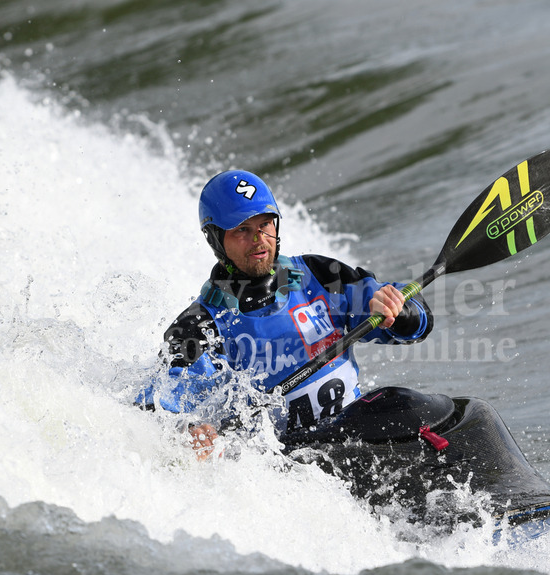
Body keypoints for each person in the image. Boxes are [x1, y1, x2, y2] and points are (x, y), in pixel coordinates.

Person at [138, 170, 433, 459]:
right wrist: (186, 428)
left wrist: (400, 312)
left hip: (356, 437)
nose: (259, 239)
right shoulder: (200, 326)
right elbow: (153, 404)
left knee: (401, 401)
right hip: (288, 465)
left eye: (265, 224)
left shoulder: (319, 276)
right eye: (242, 230)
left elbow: (418, 319)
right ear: (216, 239)